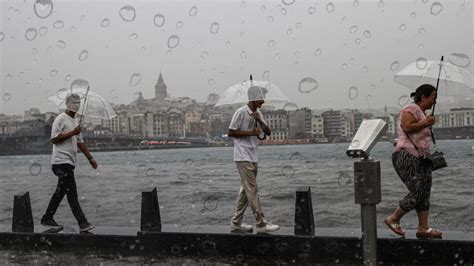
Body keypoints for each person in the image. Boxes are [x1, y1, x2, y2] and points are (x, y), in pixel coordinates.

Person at [384, 84, 442, 238]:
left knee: (425, 191)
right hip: (406, 155)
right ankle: (394, 218)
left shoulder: (422, 113)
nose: (434, 102)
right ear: (423, 97)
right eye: (432, 98)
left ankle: (423, 228)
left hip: (421, 157)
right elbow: (407, 126)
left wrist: (426, 122)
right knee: (418, 190)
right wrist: (426, 123)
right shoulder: (411, 108)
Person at [40, 93, 97, 232]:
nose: (76, 105)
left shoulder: (75, 121)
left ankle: (49, 217)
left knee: (65, 192)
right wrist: (72, 132)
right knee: (70, 193)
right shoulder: (60, 119)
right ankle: (82, 223)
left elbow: (80, 142)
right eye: (73, 102)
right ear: (67, 104)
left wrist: (90, 158)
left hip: (69, 163)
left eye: (78, 102)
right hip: (59, 162)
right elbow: (53, 139)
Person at [228, 85, 280, 233]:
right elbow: (231, 132)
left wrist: (260, 121)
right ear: (254, 97)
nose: (263, 100)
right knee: (252, 189)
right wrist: (251, 132)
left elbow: (268, 132)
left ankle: (236, 222)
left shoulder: (258, 113)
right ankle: (261, 223)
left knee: (246, 190)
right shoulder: (241, 112)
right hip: (242, 156)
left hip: (253, 155)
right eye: (262, 97)